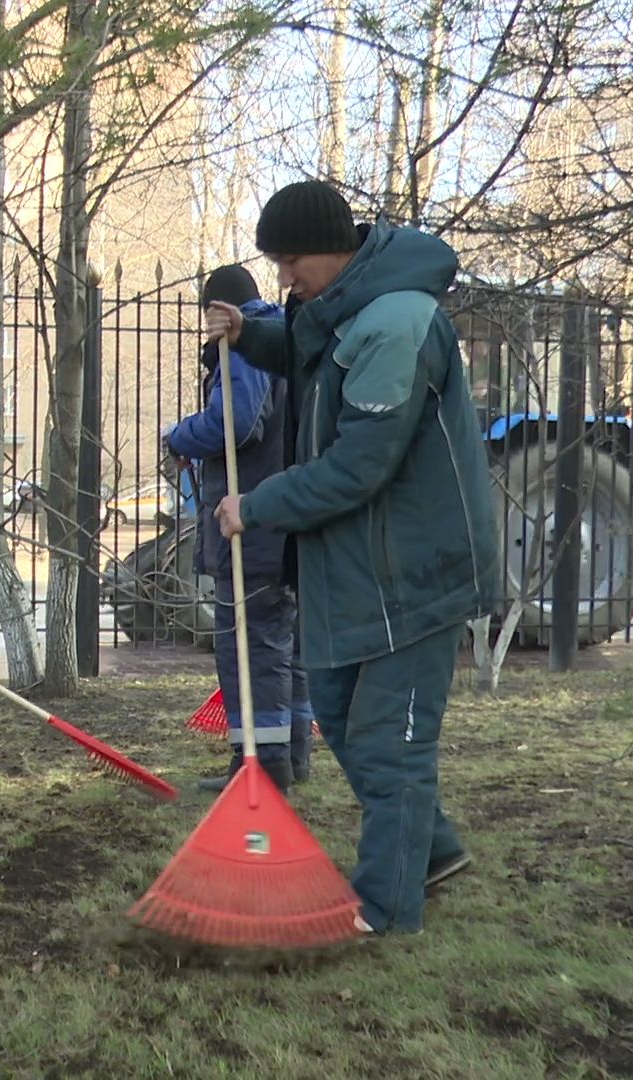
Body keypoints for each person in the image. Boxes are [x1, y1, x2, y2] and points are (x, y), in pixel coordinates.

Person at [203, 181, 500, 935]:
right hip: (360, 565)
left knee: (389, 741)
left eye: (291, 261)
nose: (283, 279)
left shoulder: (399, 323)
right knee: (337, 712)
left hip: (415, 567)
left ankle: (384, 908)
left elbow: (358, 465)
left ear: (334, 249)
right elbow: (309, 350)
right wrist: (253, 332)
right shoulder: (346, 305)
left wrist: (257, 506)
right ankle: (429, 850)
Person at [164, 264, 313, 793]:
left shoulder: (243, 346)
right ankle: (290, 756)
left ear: (217, 310)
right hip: (283, 513)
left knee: (247, 643)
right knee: (283, 643)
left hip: (250, 522)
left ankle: (260, 768)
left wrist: (178, 435)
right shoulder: (284, 339)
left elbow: (236, 423)